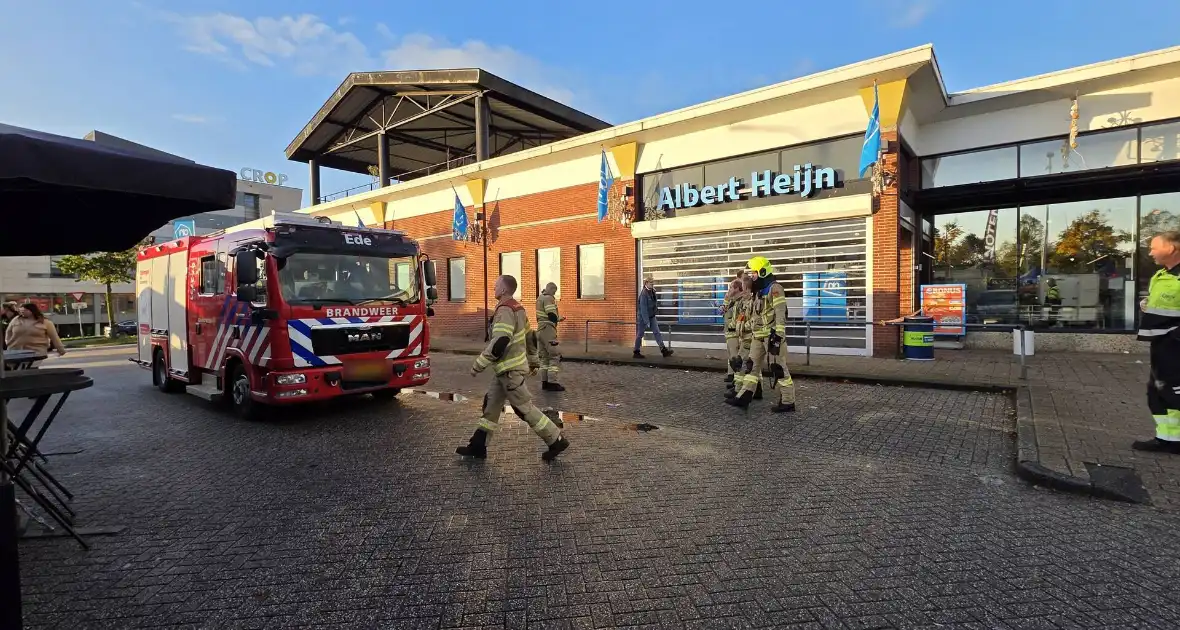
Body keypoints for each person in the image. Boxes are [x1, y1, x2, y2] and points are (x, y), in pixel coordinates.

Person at [457, 275, 570, 461]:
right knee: (491, 407)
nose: (493, 287)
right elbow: (530, 337)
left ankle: (555, 439)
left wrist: (479, 364)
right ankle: (478, 446)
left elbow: (500, 341)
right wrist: (533, 362)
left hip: (509, 372)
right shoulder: (518, 308)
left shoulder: (504, 310)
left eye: (496, 285)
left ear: (503, 290)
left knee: (524, 408)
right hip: (503, 372)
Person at [1132, 231, 1180, 455]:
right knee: (1158, 392)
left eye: (1154, 247)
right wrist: (1147, 304)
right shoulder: (1160, 276)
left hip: (1176, 344)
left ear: (1171, 248)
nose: (1150, 252)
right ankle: (1167, 438)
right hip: (1161, 343)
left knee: (1174, 391)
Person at [726, 257, 795, 412]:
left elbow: (780, 312)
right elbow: (756, 318)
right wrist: (741, 327)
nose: (752, 276)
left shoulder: (774, 288)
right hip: (758, 337)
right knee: (751, 367)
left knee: (779, 368)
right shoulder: (758, 293)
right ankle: (744, 397)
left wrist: (778, 334)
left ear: (763, 272)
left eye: (755, 273)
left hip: (772, 338)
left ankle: (788, 401)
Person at [725, 275, 757, 399]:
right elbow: (738, 318)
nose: (742, 291)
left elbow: (753, 321)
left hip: (749, 337)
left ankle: (739, 390)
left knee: (740, 363)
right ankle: (750, 389)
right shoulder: (742, 301)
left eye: (743, 288)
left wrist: (739, 327)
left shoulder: (751, 302)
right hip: (744, 336)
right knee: (750, 365)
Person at [535, 282, 565, 392]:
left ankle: (545, 382)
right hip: (548, 329)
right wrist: (557, 318)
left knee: (544, 357)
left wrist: (558, 318)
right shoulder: (549, 298)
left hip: (540, 329)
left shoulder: (540, 298)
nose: (555, 294)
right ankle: (553, 382)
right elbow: (551, 315)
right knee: (554, 356)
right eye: (554, 291)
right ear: (551, 289)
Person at [634, 275, 672, 359]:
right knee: (640, 334)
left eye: (653, 283)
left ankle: (663, 350)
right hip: (643, 318)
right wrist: (646, 321)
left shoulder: (652, 291)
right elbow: (643, 309)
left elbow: (654, 302)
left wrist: (655, 310)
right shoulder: (644, 294)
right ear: (646, 283)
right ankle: (636, 352)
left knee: (657, 332)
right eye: (651, 283)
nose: (652, 285)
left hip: (651, 316)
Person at [721, 274, 745, 388]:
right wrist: (726, 299)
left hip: (734, 334)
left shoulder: (740, 301)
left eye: (731, 287)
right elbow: (724, 311)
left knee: (736, 359)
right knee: (731, 357)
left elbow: (739, 318)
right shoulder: (732, 300)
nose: (729, 290)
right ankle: (733, 378)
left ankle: (737, 383)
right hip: (729, 333)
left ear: (737, 289)